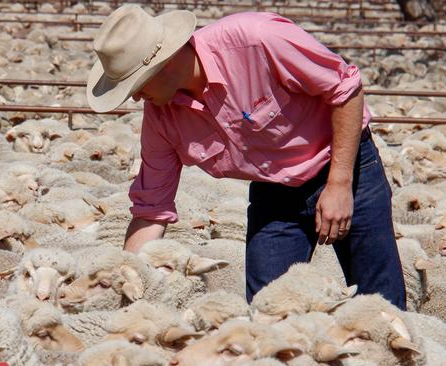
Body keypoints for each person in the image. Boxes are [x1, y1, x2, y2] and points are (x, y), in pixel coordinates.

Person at [86, 5, 407, 310]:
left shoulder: (257, 40)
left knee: (379, 298)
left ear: (164, 63)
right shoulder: (161, 117)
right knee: (267, 309)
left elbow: (345, 85)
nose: (138, 96)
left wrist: (339, 184)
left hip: (344, 166)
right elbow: (151, 210)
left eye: (137, 85)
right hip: (275, 190)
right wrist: (127, 277)